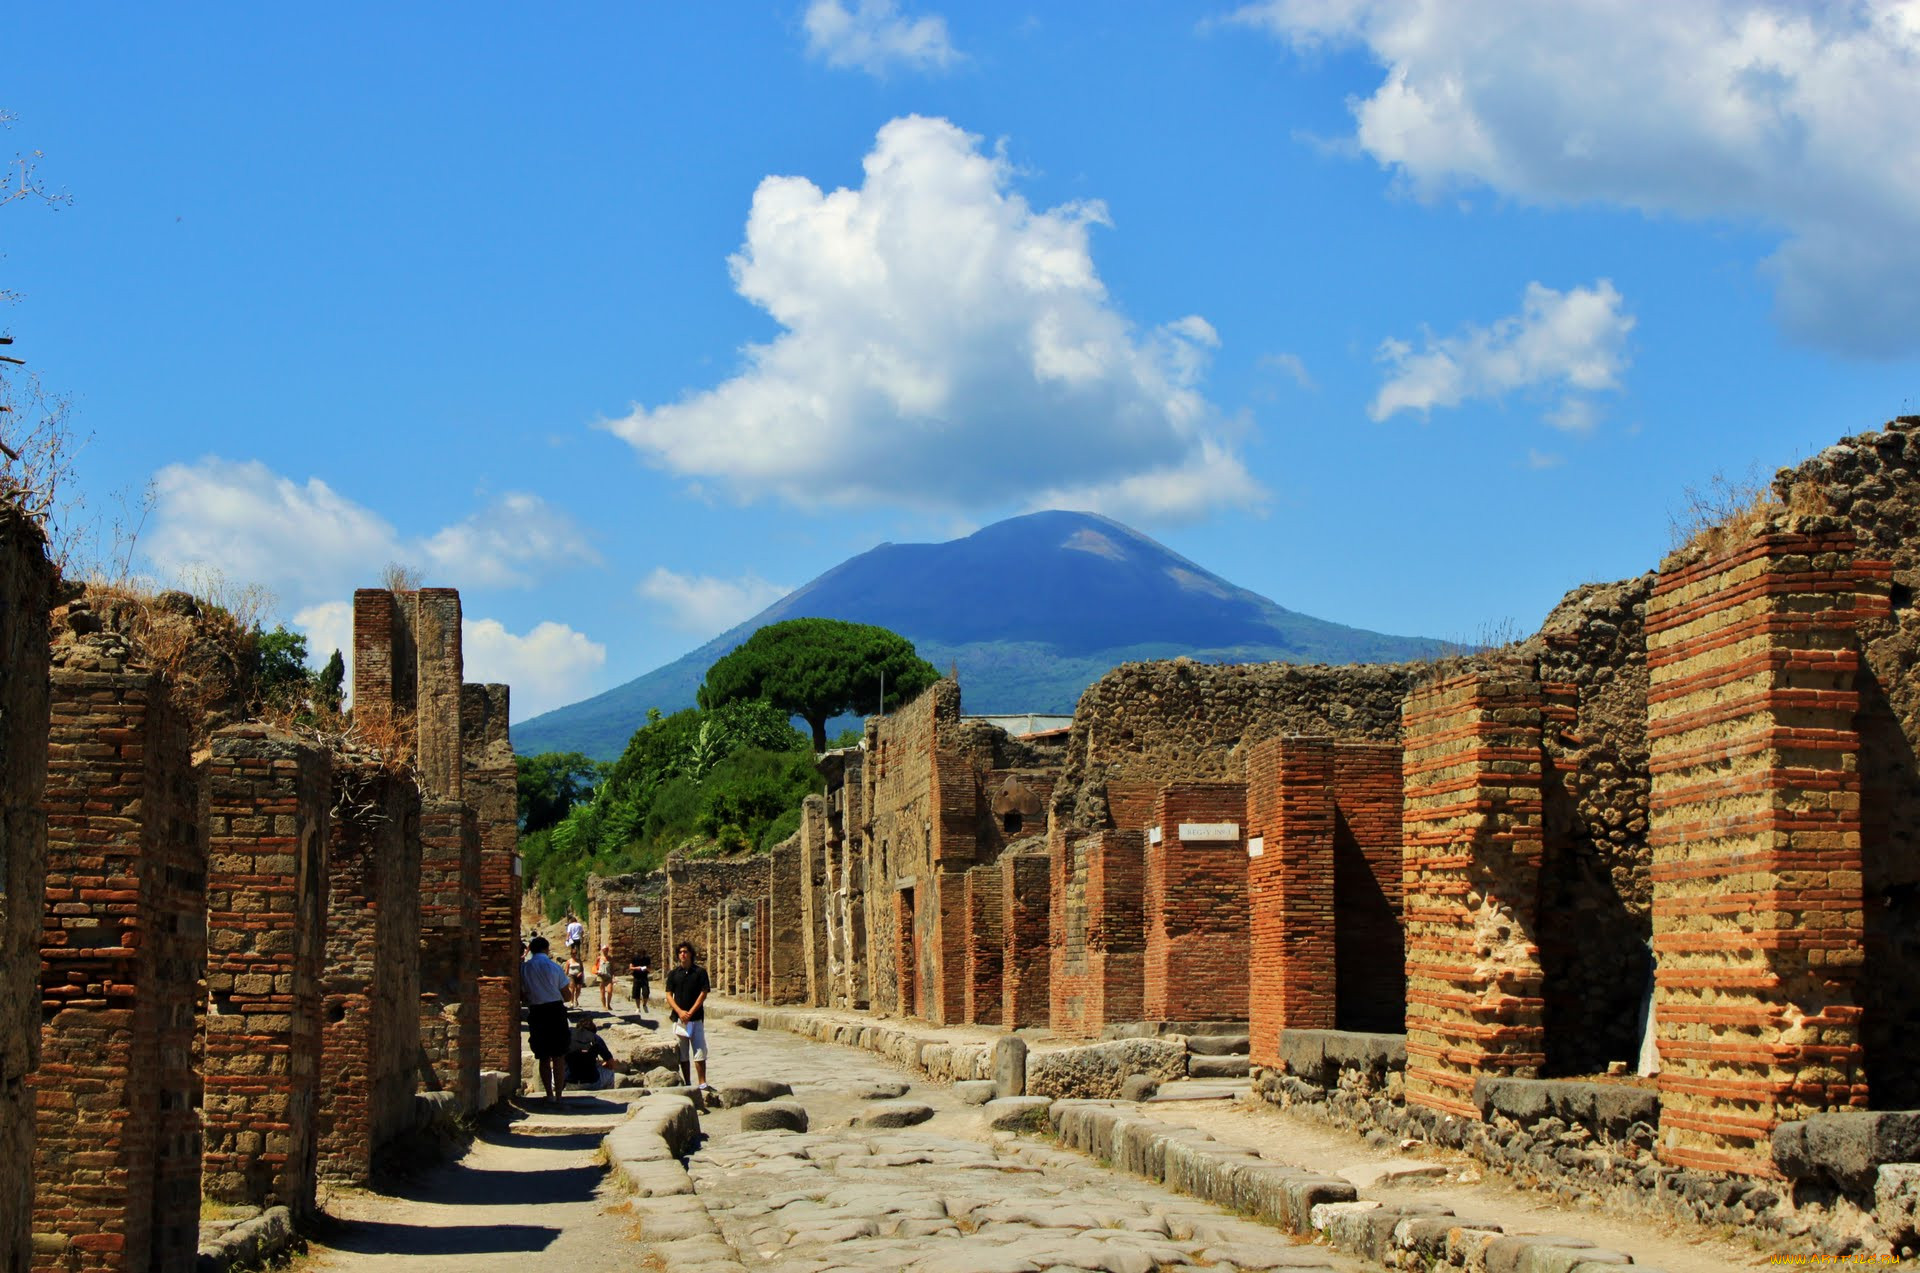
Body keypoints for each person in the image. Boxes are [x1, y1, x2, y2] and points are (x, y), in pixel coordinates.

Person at [520, 936, 573, 1103]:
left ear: (531, 950)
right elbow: (567, 995)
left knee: (542, 1055)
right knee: (559, 1055)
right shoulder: (554, 967)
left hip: (536, 1012)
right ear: (547, 949)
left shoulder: (524, 968)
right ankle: (559, 1095)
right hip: (556, 1011)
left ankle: (549, 1095)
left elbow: (522, 994)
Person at [664, 941, 711, 1091]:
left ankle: (702, 1082)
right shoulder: (673, 974)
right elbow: (669, 994)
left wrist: (690, 1012)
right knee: (683, 1053)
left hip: (695, 1018)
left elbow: (704, 993)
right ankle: (687, 1082)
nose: (683, 954)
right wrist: (680, 1011)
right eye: (680, 952)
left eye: (685, 951)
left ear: (691, 954)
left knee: (699, 1051)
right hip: (680, 1019)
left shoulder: (700, 972)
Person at [563, 1016, 617, 1091]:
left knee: (556, 1069)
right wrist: (602, 1064)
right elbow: (612, 1064)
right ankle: (609, 1095)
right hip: (592, 1083)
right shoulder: (595, 1038)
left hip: (569, 1083)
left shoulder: (569, 1036)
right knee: (610, 1072)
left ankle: (555, 1093)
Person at [595, 943, 616, 1011]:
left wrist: (613, 976)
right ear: (602, 950)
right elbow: (595, 966)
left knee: (609, 991)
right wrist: (597, 971)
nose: (605, 951)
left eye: (606, 950)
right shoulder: (599, 958)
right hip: (601, 976)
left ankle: (608, 1004)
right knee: (602, 991)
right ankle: (604, 1005)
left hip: (608, 976)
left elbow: (612, 968)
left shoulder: (610, 958)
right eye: (604, 950)